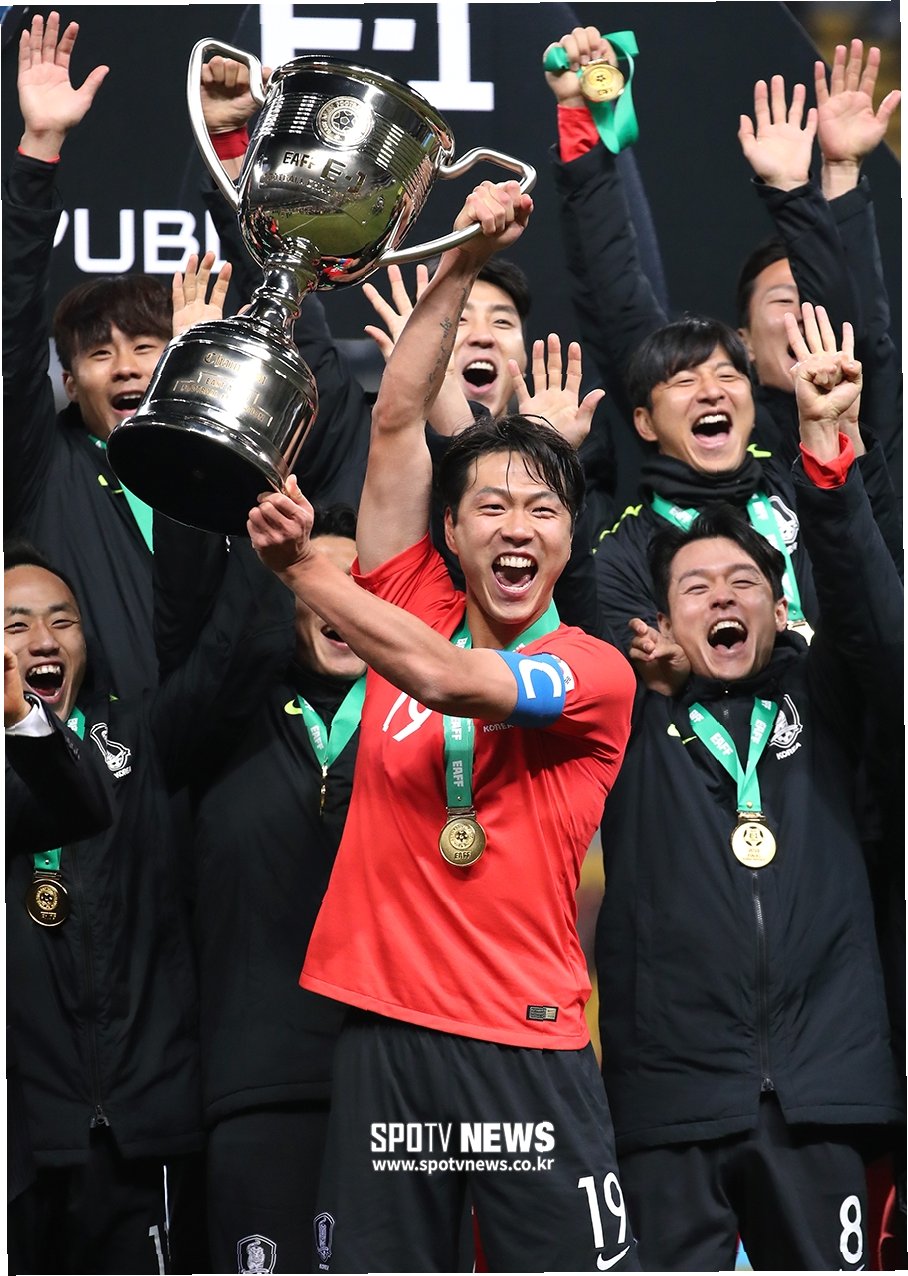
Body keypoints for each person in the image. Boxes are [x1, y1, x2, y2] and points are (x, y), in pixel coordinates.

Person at [248, 179, 639, 1273]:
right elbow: (395, 418)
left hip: (524, 1037)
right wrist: (462, 260)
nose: (518, 528)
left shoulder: (590, 671)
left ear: (569, 538)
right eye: (491, 509)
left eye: (544, 510)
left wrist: (303, 574)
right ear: (451, 535)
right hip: (387, 1036)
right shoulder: (410, 592)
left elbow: (454, 681)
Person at [593, 304, 904, 1270]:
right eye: (695, 588)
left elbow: (873, 624)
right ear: (658, 621)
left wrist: (830, 464)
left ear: (781, 610)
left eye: (744, 584)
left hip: (820, 1092)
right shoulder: (626, 720)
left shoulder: (831, 700)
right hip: (671, 1099)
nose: (723, 596)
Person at [545, 26, 902, 519]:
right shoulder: (720, 417)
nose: (806, 316)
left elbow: (853, 326)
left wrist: (821, 181)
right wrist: (584, 124)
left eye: (809, 299)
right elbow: (617, 298)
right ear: (744, 344)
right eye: (784, 301)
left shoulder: (862, 423)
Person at [151, 493, 367, 1274]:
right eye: (317, 585)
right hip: (255, 1085)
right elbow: (212, 645)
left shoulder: (418, 724)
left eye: (360, 587)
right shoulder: (222, 723)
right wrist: (272, 552)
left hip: (393, 1084)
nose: (340, 603)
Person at [2, 11, 232, 699]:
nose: (127, 366)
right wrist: (39, 150)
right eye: (100, 354)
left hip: (221, 744)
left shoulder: (219, 471)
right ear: (70, 384)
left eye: (145, 347)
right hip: (92, 748)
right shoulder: (42, 465)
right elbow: (13, 324)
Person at [4, 540, 204, 1274]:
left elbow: (78, 803)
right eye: (16, 625)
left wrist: (23, 721)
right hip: (20, 1133)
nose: (43, 640)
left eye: (62, 621)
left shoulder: (126, 741)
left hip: (130, 1129)